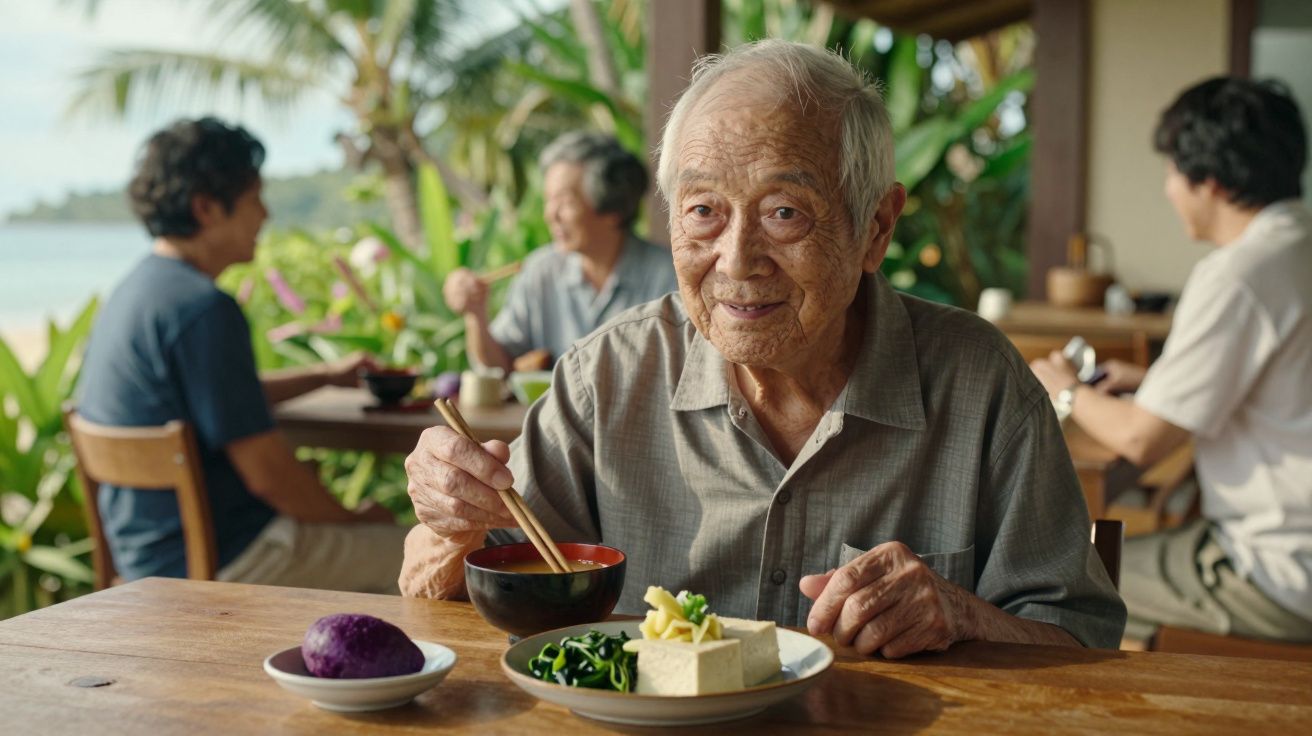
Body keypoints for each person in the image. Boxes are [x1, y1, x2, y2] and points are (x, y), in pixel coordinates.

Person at [403, 40, 1124, 656]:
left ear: (876, 228)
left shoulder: (981, 384)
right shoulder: (607, 379)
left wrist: (961, 616)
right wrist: (450, 523)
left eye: (784, 213)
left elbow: (1084, 642)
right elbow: (453, 590)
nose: (737, 259)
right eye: (703, 212)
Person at [1031, 77, 1312, 643]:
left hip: (1281, 569)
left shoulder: (1240, 274)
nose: (1168, 189)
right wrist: (1157, 381)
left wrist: (1066, 389)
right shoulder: (1297, 245)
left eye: (1172, 172)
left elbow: (1139, 440)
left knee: (1068, 581)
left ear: (1209, 181)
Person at [76, 117, 408, 593]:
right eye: (255, 199)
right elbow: (269, 477)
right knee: (441, 559)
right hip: (226, 560)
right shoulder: (202, 309)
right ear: (207, 208)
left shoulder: (136, 292)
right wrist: (353, 519)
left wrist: (323, 376)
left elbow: (212, 400)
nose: (265, 216)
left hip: (145, 561)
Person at [442, 132, 678, 373]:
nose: (550, 215)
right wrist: (476, 315)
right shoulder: (540, 272)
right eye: (548, 200)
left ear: (613, 208)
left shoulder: (669, 277)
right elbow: (498, 365)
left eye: (564, 202)